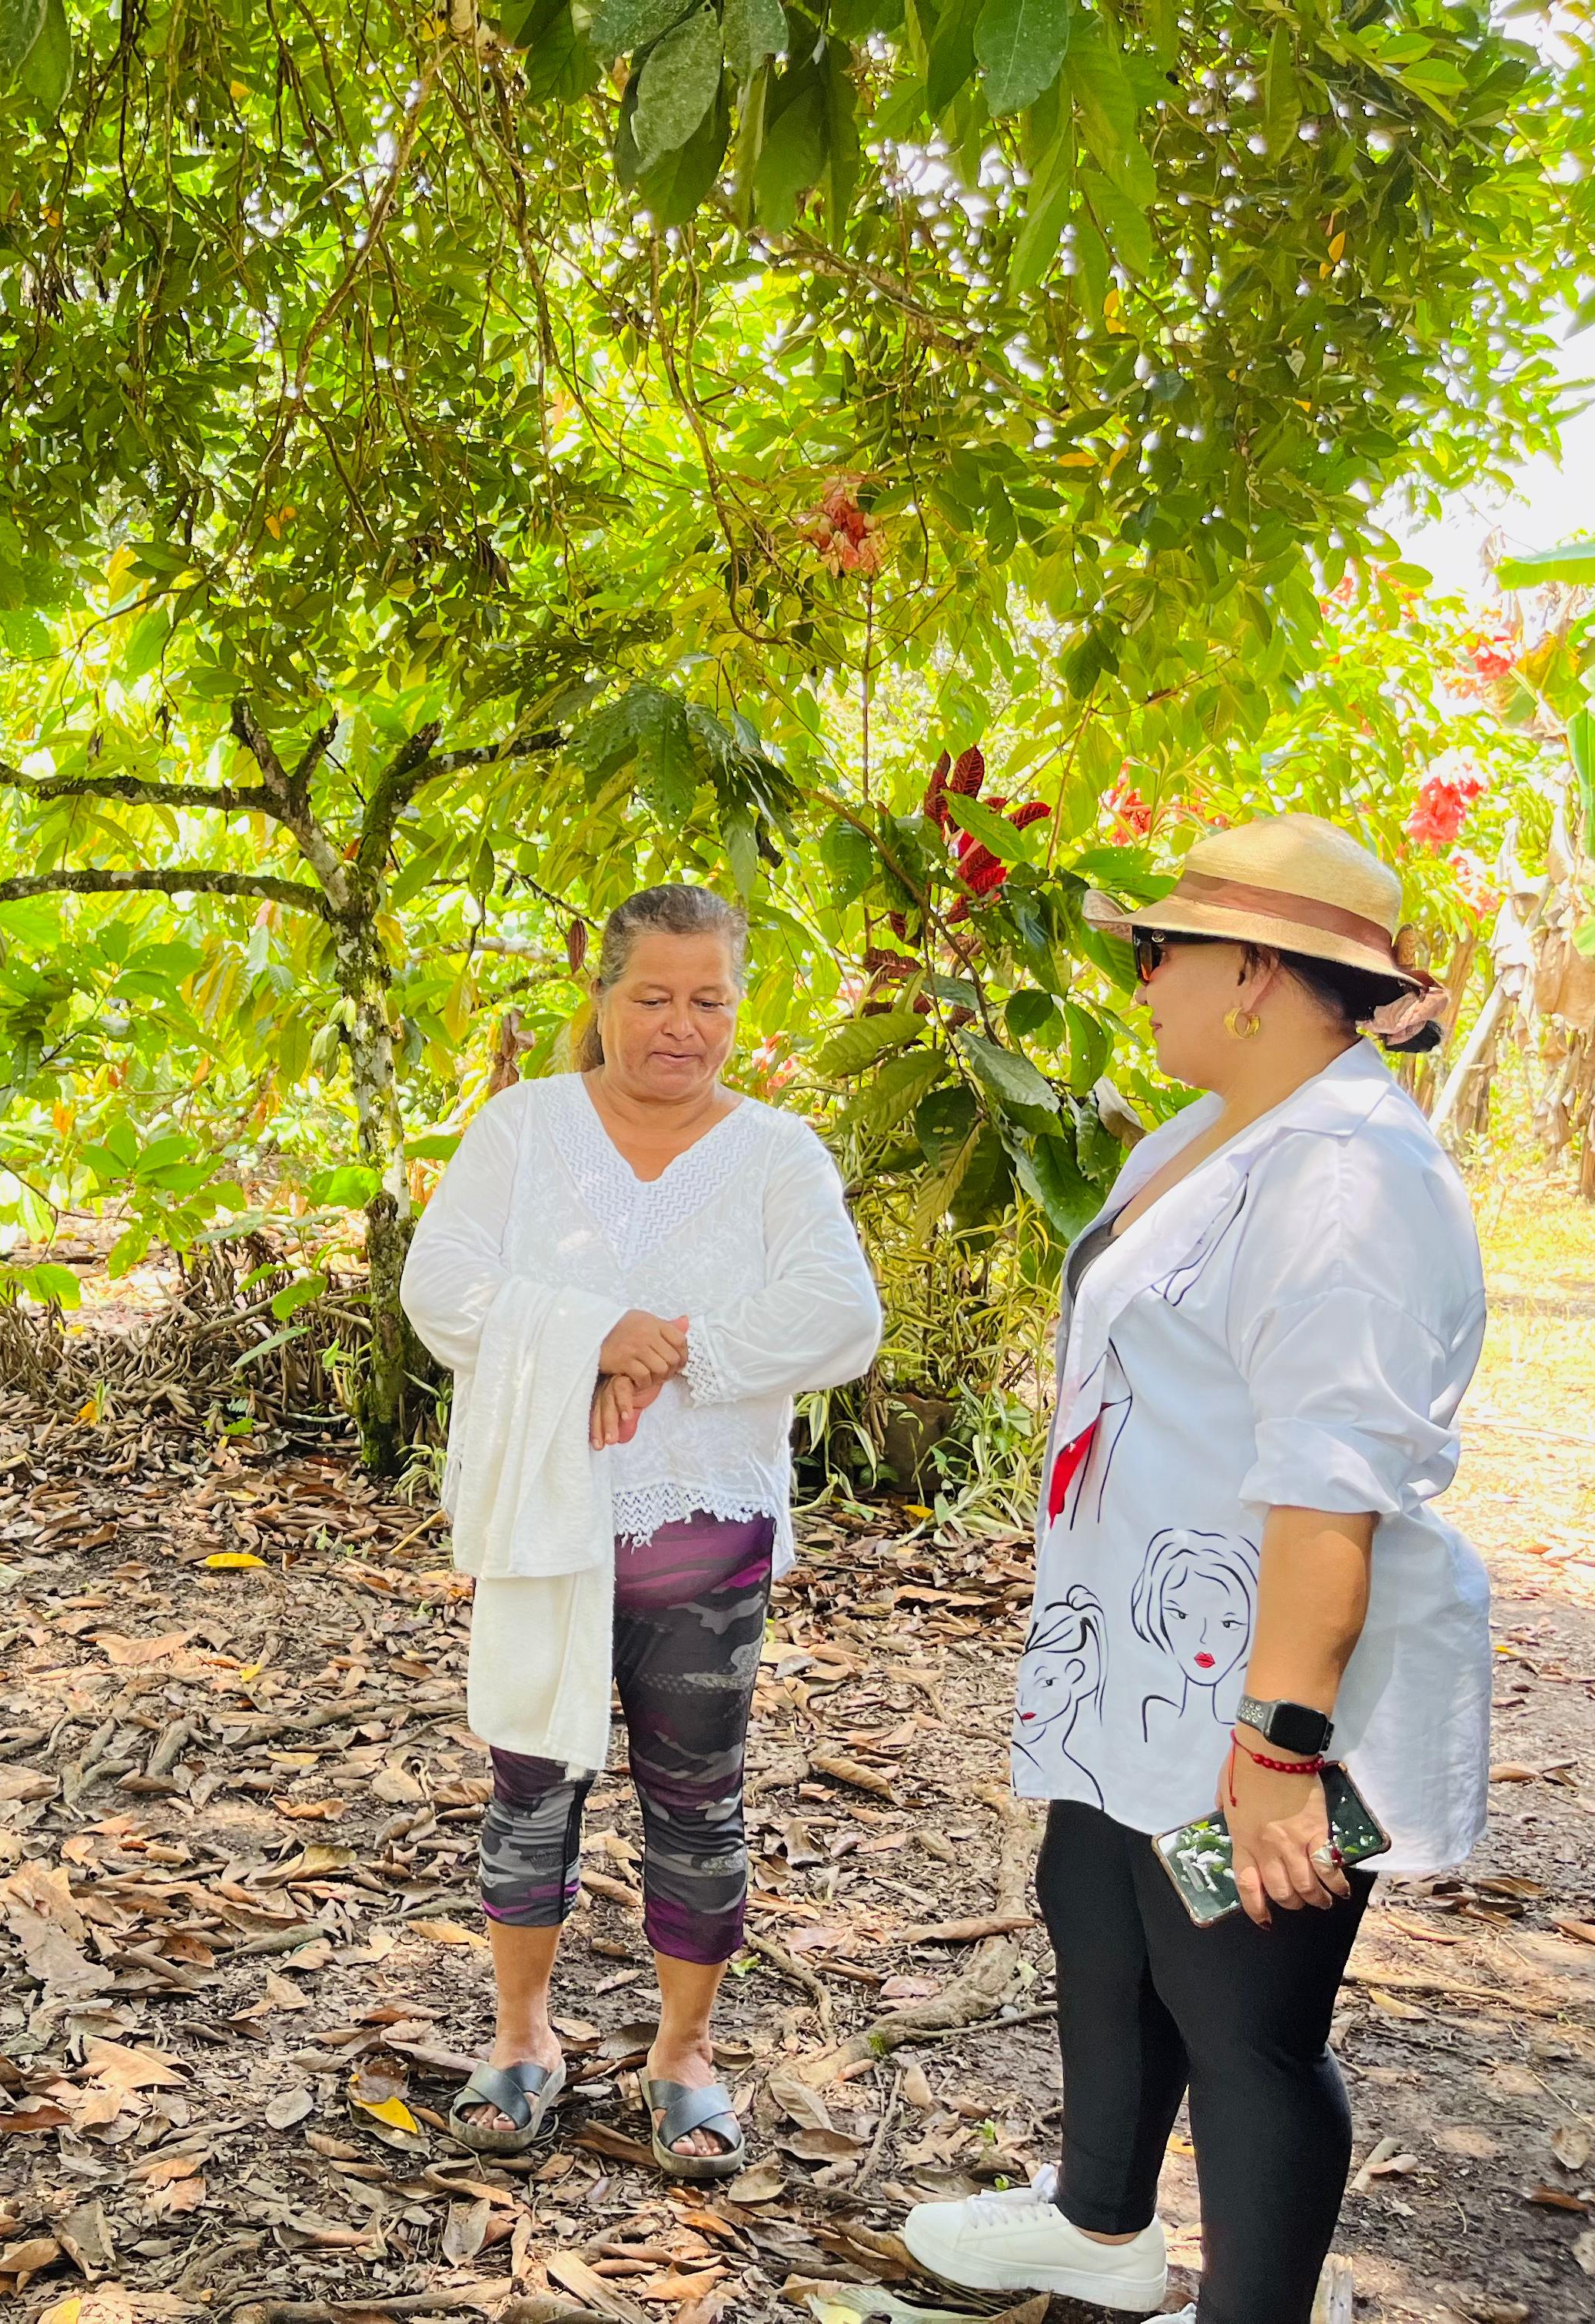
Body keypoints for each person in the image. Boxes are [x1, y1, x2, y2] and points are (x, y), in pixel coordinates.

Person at [900, 812, 1485, 2324]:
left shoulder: (1348, 1183)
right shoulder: (1218, 1132)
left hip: (1263, 1673)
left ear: (1258, 973)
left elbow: (1332, 1498)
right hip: (1143, 1651)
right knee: (1100, 1918)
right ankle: (1100, 2228)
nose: (1141, 977)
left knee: (1242, 2017)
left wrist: (1281, 1751)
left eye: (1162, 949)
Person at [400, 882, 882, 2178]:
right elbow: (439, 1285)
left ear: (739, 1008)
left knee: (698, 1795)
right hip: (544, 1521)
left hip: (703, 1525)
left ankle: (685, 2053)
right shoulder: (523, 1129)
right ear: (601, 997)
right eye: (654, 997)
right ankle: (521, 2037)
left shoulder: (777, 1152)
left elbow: (841, 1317)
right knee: (529, 1784)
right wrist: (590, 1334)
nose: (682, 1026)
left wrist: (668, 1354)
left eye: (709, 1001)